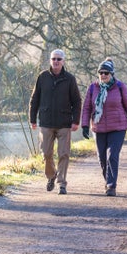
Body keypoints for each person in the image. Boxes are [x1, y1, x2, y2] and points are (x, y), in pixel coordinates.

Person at [81, 58, 127, 197]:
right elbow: (87, 107)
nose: (103, 75)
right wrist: (84, 125)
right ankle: (108, 180)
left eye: (106, 73)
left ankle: (111, 186)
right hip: (99, 127)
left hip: (118, 127)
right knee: (102, 158)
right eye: (100, 72)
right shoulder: (92, 88)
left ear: (112, 74)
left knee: (112, 156)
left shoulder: (120, 87)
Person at [29, 49, 82, 195]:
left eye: (59, 59)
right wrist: (32, 119)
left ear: (63, 61)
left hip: (64, 123)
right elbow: (35, 99)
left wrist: (76, 121)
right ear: (50, 61)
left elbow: (77, 101)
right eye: (54, 59)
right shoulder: (42, 77)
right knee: (46, 153)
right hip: (46, 122)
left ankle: (62, 183)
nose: (56, 61)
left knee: (64, 153)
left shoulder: (70, 79)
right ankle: (51, 176)